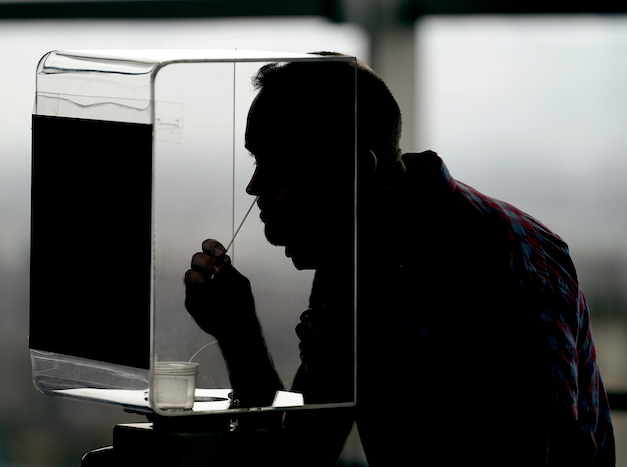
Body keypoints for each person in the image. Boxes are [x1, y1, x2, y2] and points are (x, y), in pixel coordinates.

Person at [183, 54, 615, 466]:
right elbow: (298, 455)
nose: (253, 188)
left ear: (356, 172)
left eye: (278, 168)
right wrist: (239, 333)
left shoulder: (505, 270)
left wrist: (372, 373)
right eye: (257, 161)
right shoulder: (353, 248)